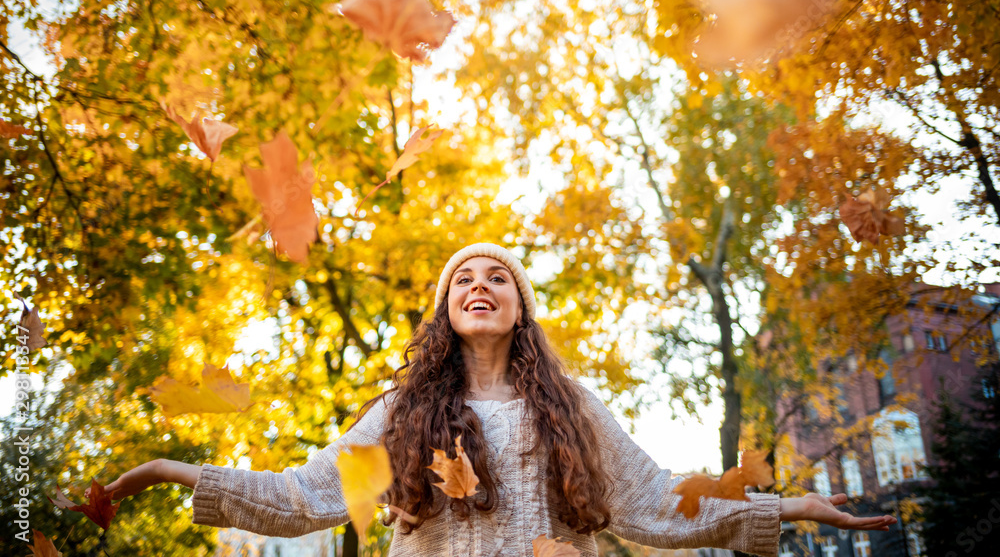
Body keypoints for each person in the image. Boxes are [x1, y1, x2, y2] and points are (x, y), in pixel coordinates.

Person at [99, 242, 896, 556]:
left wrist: (791, 507)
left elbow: (657, 506)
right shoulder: (402, 410)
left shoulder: (574, 405)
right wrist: (166, 469)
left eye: (499, 276)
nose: (481, 286)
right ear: (446, 308)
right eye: (463, 280)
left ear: (521, 305)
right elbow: (304, 498)